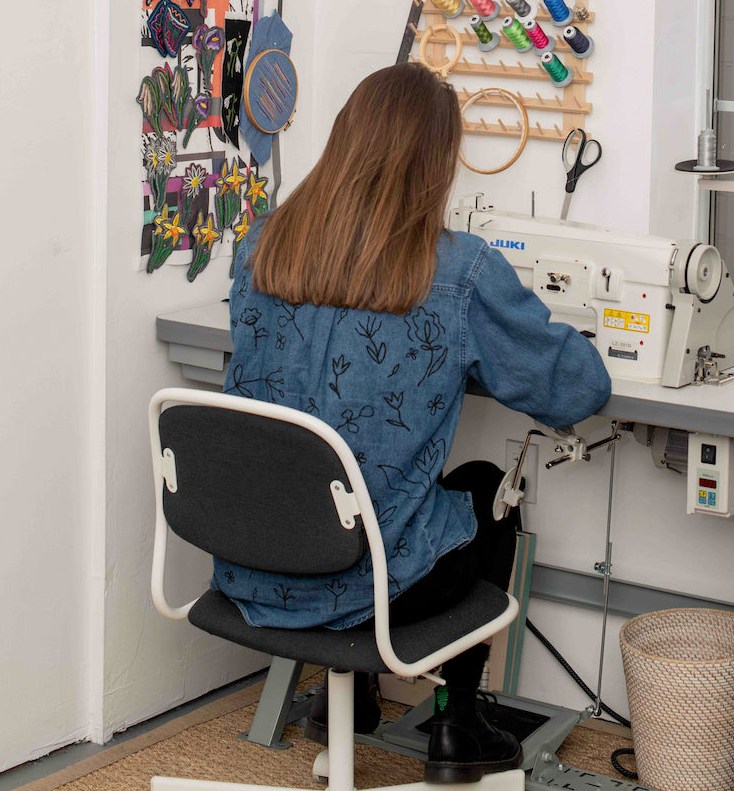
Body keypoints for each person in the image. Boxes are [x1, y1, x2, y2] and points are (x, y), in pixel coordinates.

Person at [218, 62, 611, 782]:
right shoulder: (457, 272)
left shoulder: (262, 245)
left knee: (347, 479)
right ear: (436, 162)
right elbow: (578, 390)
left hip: (252, 565)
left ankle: (349, 695)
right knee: (488, 487)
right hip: (371, 586)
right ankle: (459, 725)